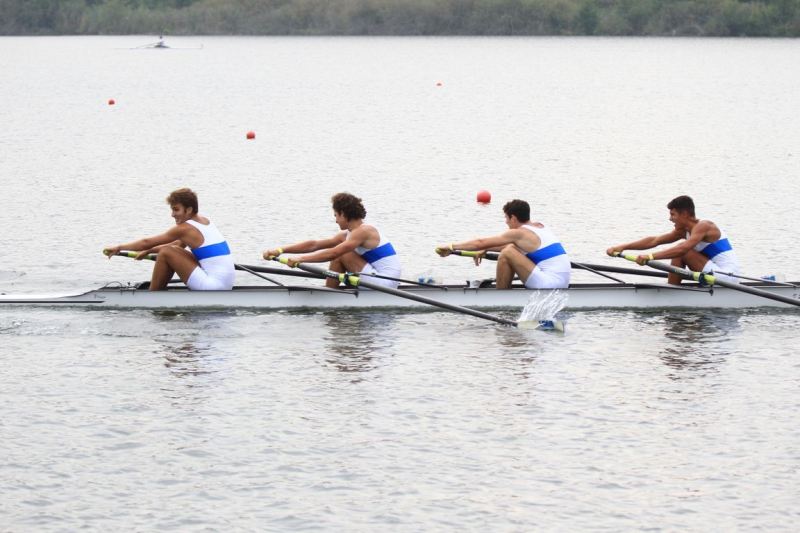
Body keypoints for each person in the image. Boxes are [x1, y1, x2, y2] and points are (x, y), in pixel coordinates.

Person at [104, 188, 235, 291]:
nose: (172, 214)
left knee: (166, 252)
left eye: (176, 210)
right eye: (172, 210)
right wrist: (149, 251)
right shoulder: (205, 221)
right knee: (169, 250)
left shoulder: (185, 228)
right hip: (225, 284)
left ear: (189, 209)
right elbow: (177, 245)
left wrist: (119, 247)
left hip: (212, 286)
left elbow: (146, 242)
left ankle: (153, 296)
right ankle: (158, 291)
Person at [263, 192, 402, 289]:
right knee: (340, 253)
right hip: (376, 277)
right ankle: (330, 291)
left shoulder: (364, 231)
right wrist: (280, 250)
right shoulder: (348, 234)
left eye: (336, 215)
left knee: (341, 254)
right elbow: (314, 245)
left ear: (344, 213)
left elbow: (333, 253)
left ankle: (329, 294)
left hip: (385, 282)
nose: (335, 220)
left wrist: (300, 259)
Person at [436, 199, 571, 289]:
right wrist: (486, 248)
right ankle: (504, 292)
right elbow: (507, 246)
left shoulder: (519, 233)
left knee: (507, 253)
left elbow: (480, 242)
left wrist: (451, 247)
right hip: (562, 283)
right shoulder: (540, 226)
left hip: (549, 285)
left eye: (506, 218)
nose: (506, 222)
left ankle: (501, 296)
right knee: (510, 248)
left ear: (513, 218)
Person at [606, 195, 740, 285]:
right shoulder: (683, 231)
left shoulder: (704, 226)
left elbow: (683, 249)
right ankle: (672, 288)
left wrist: (650, 257)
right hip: (713, 273)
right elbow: (654, 241)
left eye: (673, 214)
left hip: (727, 276)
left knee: (683, 250)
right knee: (680, 251)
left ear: (685, 214)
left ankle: (671, 291)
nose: (670, 219)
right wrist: (622, 247)